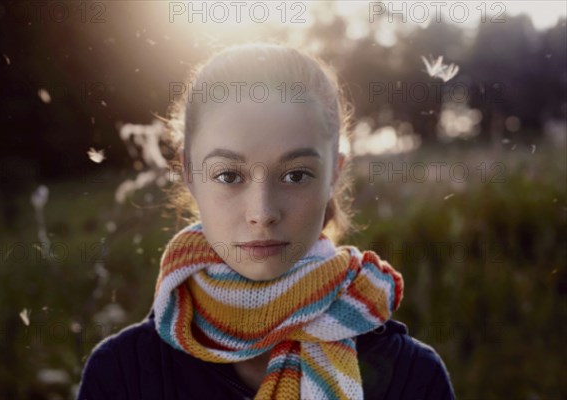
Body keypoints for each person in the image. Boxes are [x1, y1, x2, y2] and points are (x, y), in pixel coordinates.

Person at [76, 42, 455, 400]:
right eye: (228, 176)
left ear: (334, 174)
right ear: (189, 173)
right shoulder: (121, 376)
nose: (262, 212)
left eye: (295, 175)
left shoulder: (412, 378)